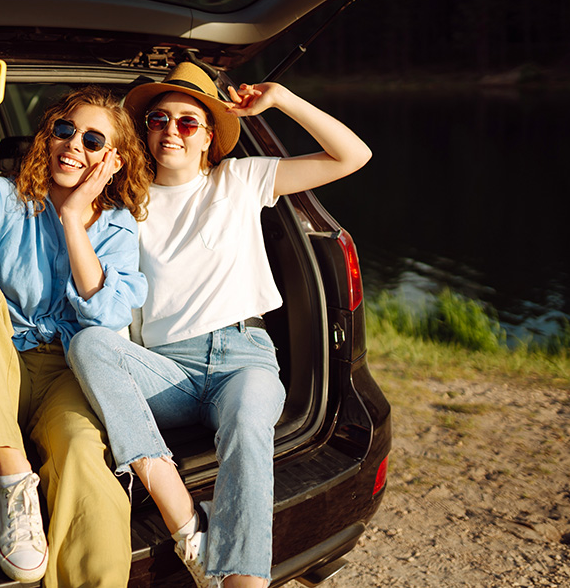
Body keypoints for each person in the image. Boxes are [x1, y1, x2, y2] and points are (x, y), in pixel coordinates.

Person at [67, 62, 372, 587]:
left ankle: (239, 580)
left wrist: (282, 100)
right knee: (89, 343)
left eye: (188, 122)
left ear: (209, 137)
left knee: (249, 422)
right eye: (159, 119)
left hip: (242, 358)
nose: (171, 131)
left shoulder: (241, 178)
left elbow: (353, 155)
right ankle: (182, 514)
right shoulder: (123, 204)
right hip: (167, 371)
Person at [0, 50, 152, 587]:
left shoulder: (116, 228)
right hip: (0, 368)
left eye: (93, 140)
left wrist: (71, 218)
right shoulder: (13, 199)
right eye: (66, 129)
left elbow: (105, 310)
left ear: (113, 160)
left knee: (86, 453)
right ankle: (13, 476)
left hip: (69, 373)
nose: (74, 144)